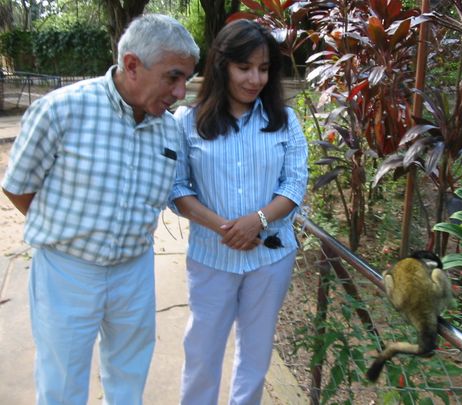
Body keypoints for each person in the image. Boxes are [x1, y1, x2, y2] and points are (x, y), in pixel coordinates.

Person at [1, 14, 199, 405]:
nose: (180, 92)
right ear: (131, 65)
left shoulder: (170, 129)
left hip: (135, 270)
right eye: (173, 77)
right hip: (67, 271)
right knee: (61, 382)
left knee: (128, 376)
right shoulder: (61, 110)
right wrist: (68, 229)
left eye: (186, 80)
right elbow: (18, 186)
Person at [169, 19, 308, 405]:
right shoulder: (189, 123)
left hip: (271, 258)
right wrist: (225, 227)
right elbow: (177, 188)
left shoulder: (284, 122)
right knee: (202, 352)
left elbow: (294, 185)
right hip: (211, 257)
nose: (255, 78)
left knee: (256, 353)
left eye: (263, 69)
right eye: (244, 67)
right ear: (222, 65)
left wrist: (257, 221)